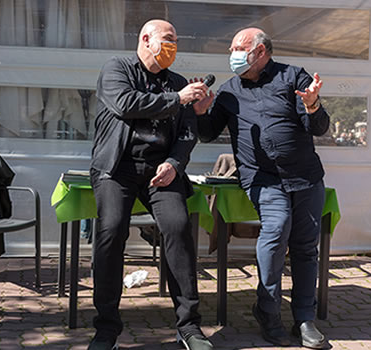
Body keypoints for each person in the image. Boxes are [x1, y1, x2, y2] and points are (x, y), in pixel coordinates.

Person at [196, 27, 329, 349]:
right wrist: (199, 112)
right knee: (277, 229)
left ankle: (304, 319)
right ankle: (268, 312)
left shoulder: (292, 78)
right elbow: (207, 133)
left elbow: (320, 128)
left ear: (260, 51)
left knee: (305, 247)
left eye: (238, 48)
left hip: (306, 177)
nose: (233, 55)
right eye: (231, 49)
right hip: (262, 179)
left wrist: (312, 105)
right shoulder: (228, 92)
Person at [88, 19, 214, 350]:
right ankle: (106, 329)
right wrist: (179, 98)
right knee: (111, 231)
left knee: (177, 226)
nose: (174, 45)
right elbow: (125, 105)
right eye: (168, 39)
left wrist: (174, 164)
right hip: (118, 167)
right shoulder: (118, 68)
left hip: (161, 170)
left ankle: (189, 326)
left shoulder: (177, 82)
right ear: (146, 39)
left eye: (176, 40)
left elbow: (187, 133)